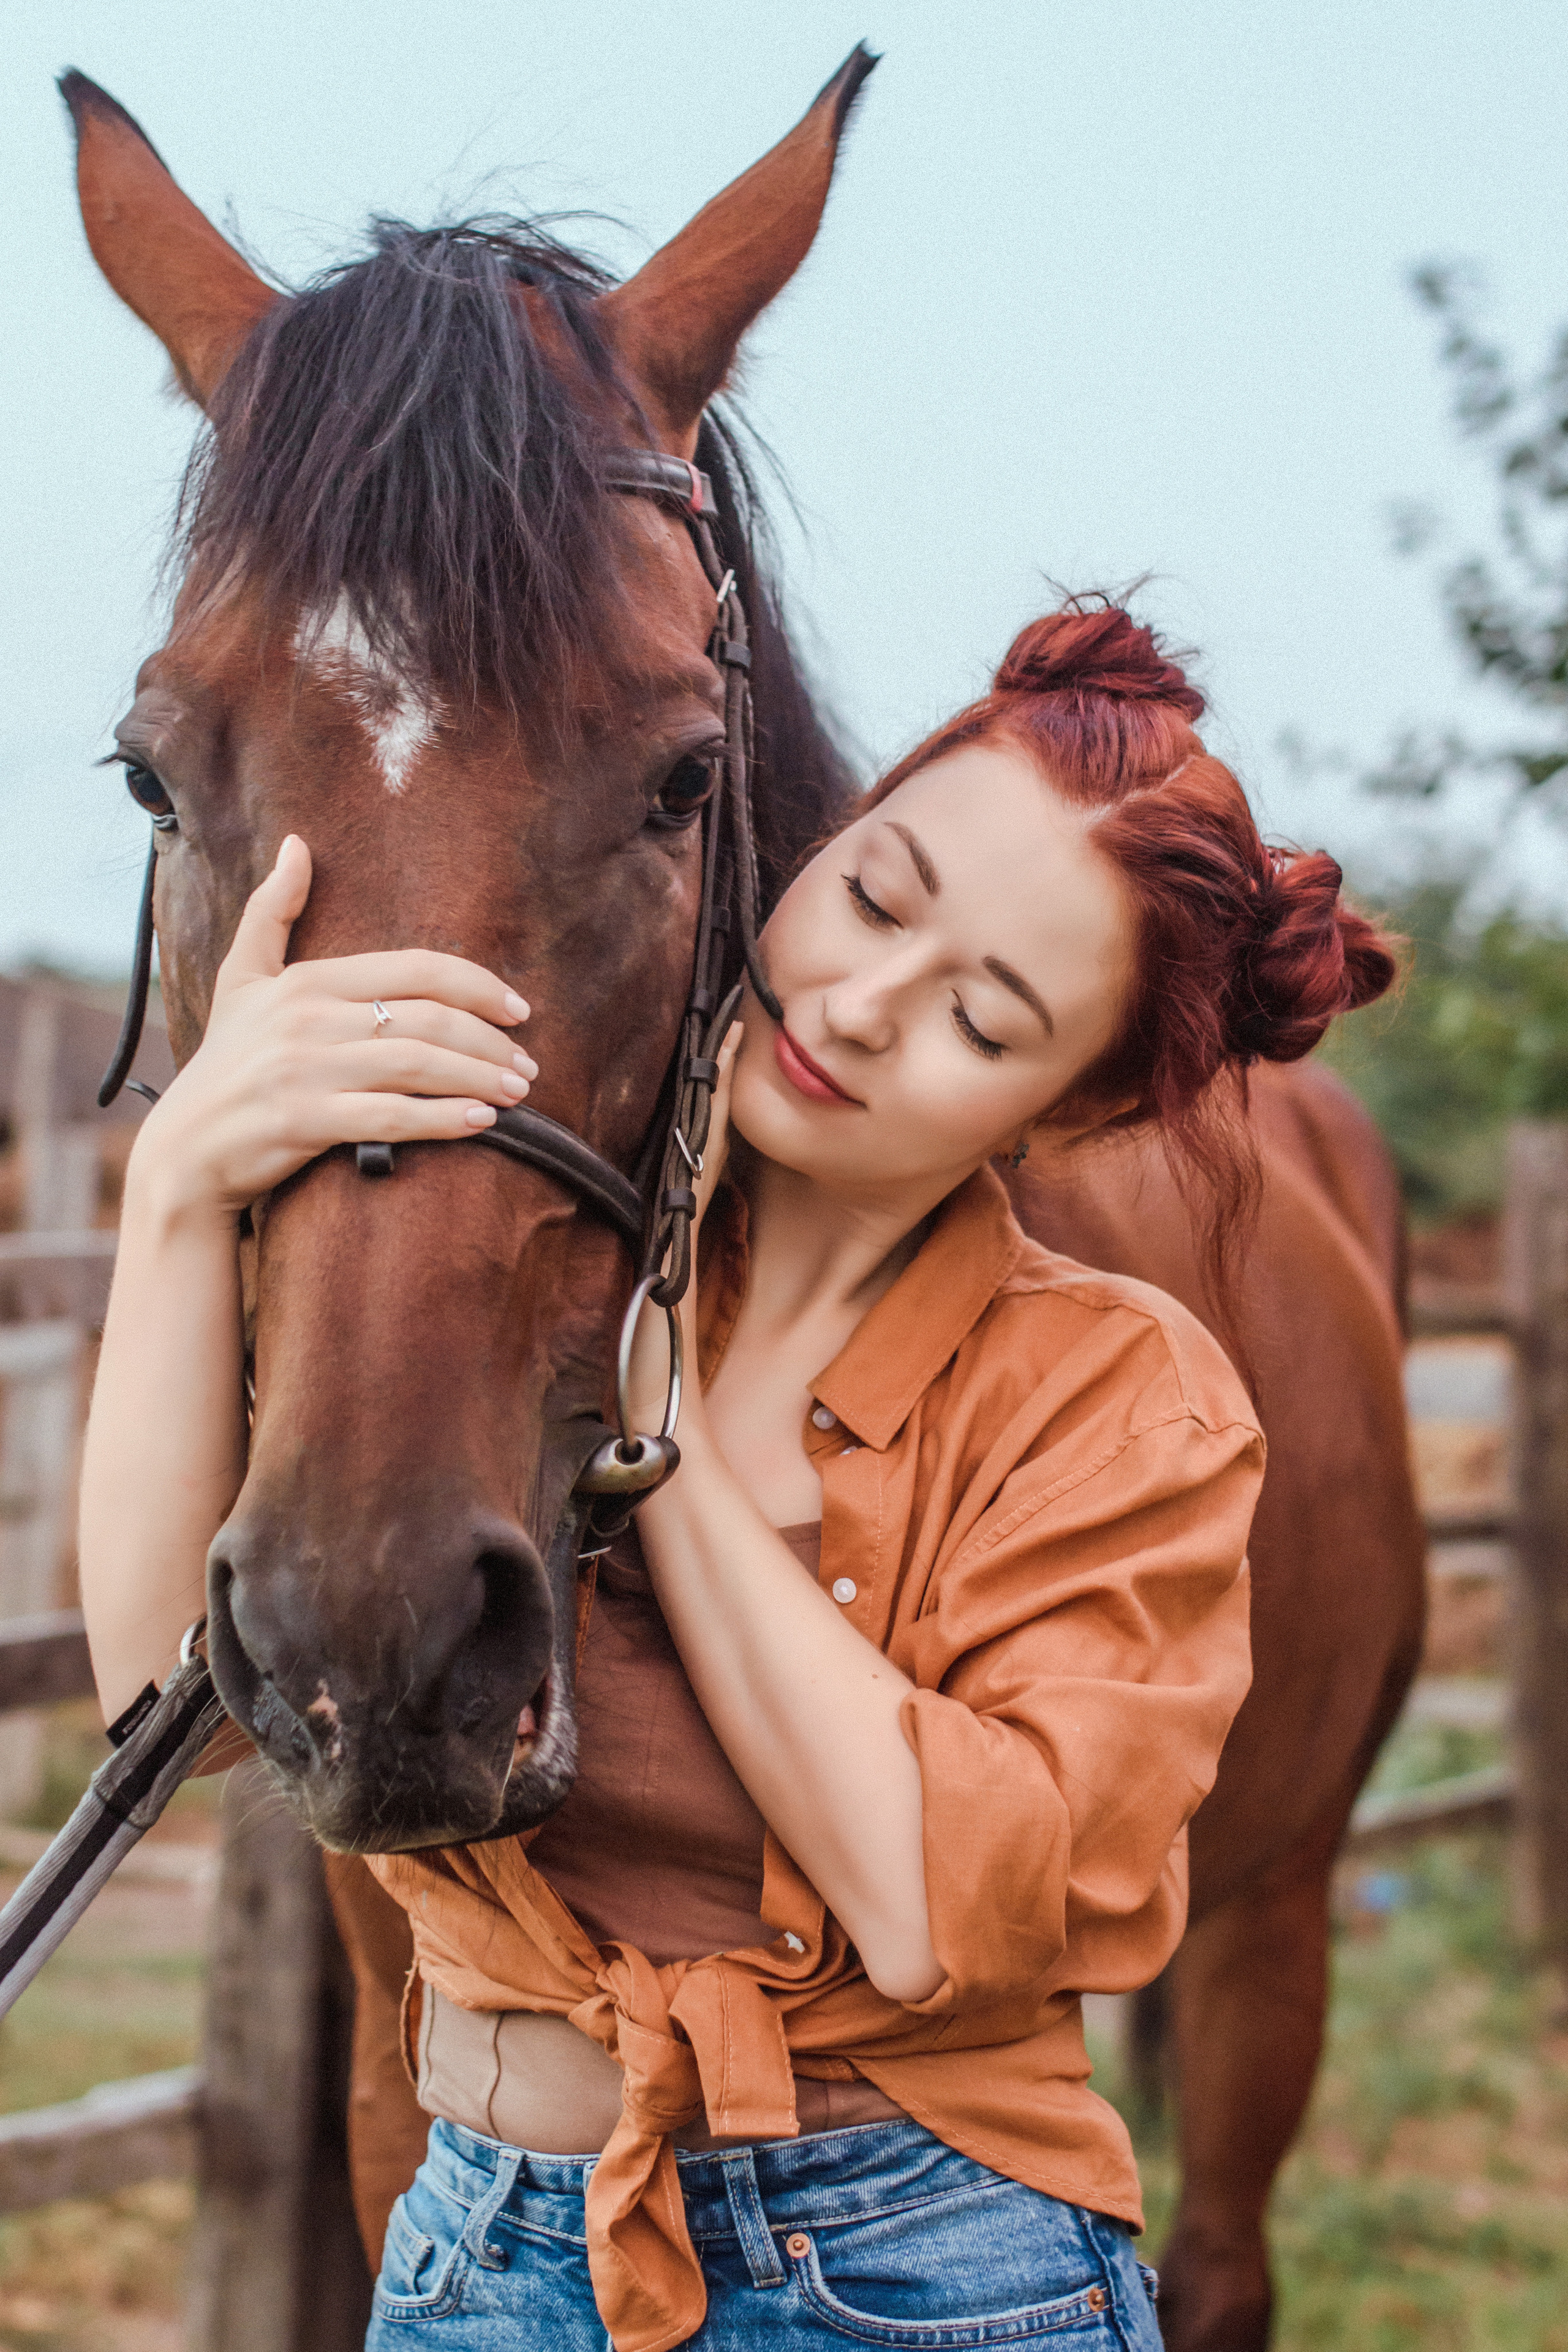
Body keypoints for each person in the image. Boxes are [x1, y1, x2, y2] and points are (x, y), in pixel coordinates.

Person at [78, 604, 1396, 2350]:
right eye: (874, 895)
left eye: (983, 1020)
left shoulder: (1127, 1406)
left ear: (1061, 1116)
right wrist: (181, 1189)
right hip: (476, 2253)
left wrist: (658, 1439)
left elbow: (935, 1912)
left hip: (919, 2280)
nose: (856, 1007)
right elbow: (175, 1695)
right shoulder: (515, 1235)